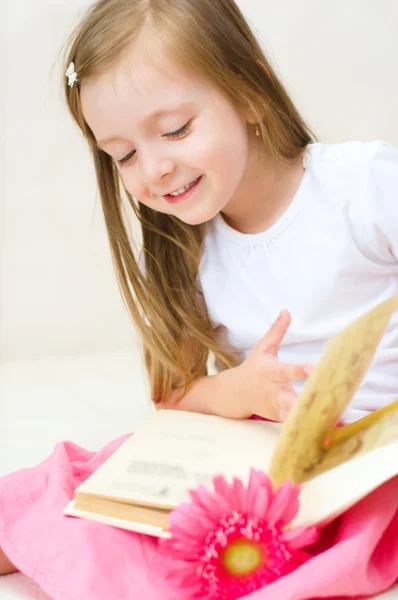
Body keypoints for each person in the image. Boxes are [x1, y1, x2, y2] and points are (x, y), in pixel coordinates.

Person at [1, 0, 397, 584]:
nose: (154, 169)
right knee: (86, 486)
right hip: (268, 452)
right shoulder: (184, 250)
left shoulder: (360, 188)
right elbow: (174, 401)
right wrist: (238, 389)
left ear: (250, 93)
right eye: (124, 155)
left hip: (372, 457)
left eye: (175, 130)